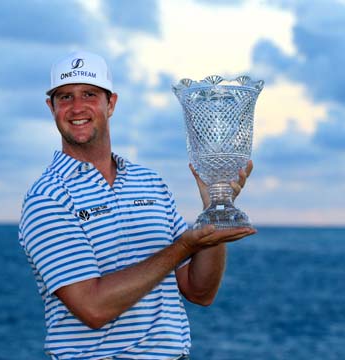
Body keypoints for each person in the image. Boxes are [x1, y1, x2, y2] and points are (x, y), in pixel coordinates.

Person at [18, 50, 256, 360]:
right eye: (65, 97)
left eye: (89, 94)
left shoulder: (150, 182)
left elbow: (200, 291)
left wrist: (213, 209)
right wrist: (183, 247)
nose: (77, 107)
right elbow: (93, 308)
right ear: (51, 107)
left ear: (111, 103)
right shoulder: (47, 198)